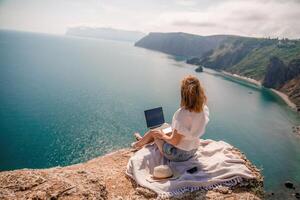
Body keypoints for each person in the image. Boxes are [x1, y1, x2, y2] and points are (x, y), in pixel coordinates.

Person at [132, 75, 209, 162]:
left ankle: (137, 145)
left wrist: (162, 136)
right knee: (164, 126)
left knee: (155, 133)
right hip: (193, 149)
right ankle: (141, 141)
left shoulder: (182, 114)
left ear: (184, 93)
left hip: (177, 154)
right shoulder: (203, 109)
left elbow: (175, 141)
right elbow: (185, 131)